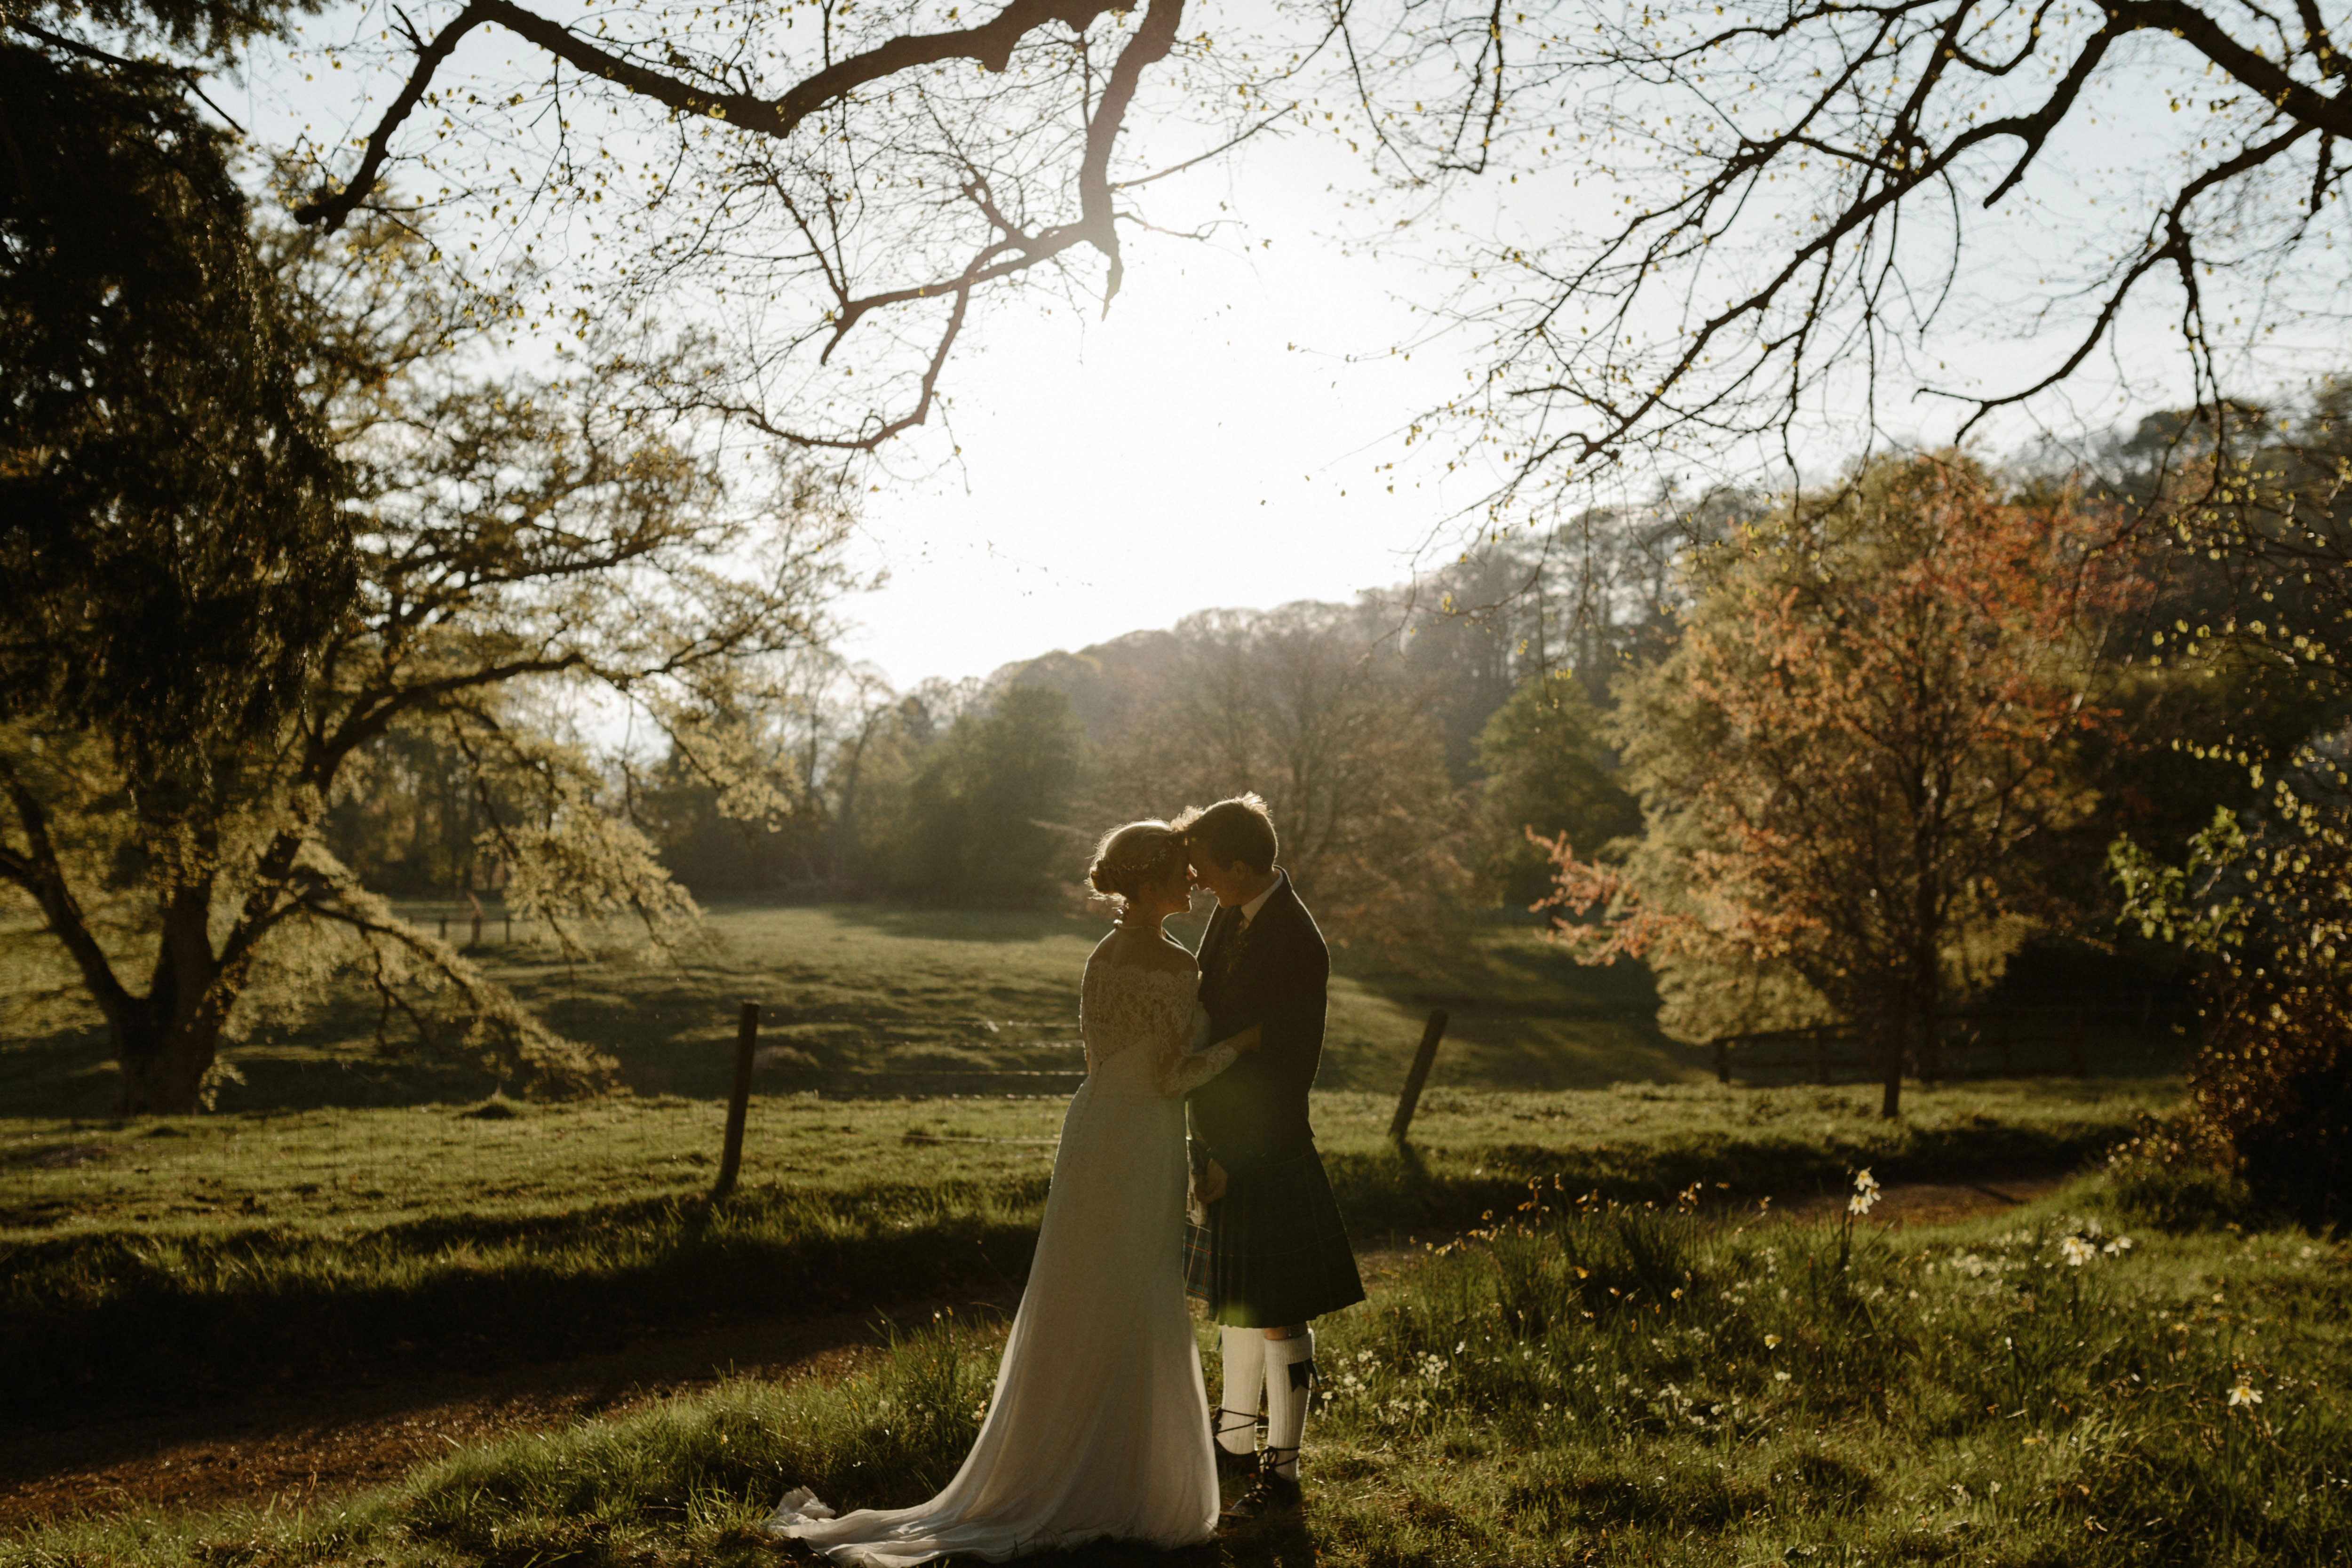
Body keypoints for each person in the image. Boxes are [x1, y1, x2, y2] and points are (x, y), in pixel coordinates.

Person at [766, 821, 1260, 1566]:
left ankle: (1070, 1459)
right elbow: (1169, 1077)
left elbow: (1107, 1059)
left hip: (1095, 1130)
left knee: (1082, 1293)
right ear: (1155, 883)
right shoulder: (1174, 963)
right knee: (1136, 1293)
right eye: (1182, 874)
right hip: (1141, 1140)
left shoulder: (1102, 956)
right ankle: (1124, 1482)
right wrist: (1240, 1046)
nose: (1193, 882)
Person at [1175, 793, 1365, 1521]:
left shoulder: (1296, 940)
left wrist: (1239, 1158)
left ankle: (1282, 1474)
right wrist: (1203, 1142)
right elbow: (1208, 1014)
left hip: (1269, 1148)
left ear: (1243, 865)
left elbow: (1288, 1067)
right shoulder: (1232, 910)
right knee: (1239, 1299)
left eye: (1204, 868)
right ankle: (1231, 1445)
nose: (1197, 882)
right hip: (1218, 1137)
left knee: (1279, 1310)